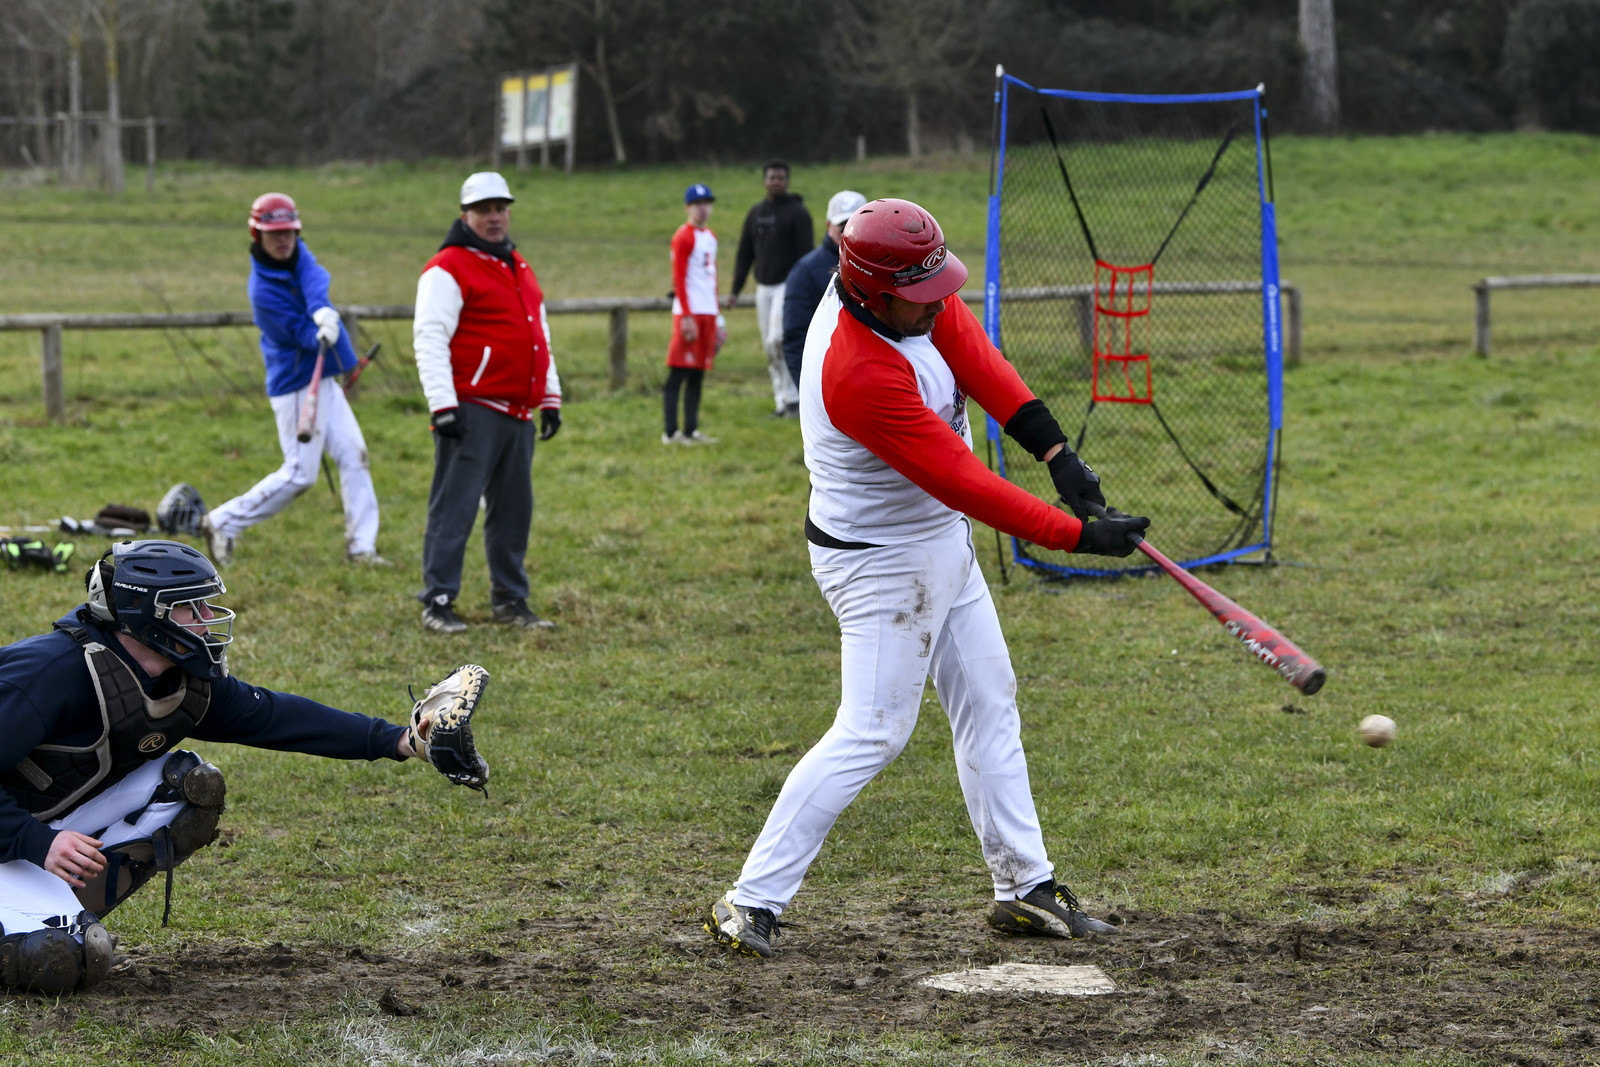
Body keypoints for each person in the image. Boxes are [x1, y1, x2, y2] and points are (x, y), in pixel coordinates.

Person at [705, 199, 1151, 959]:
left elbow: (975, 354)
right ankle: (748, 900)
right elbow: (964, 481)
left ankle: (1025, 887)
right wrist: (1076, 534)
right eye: (924, 296)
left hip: (937, 541)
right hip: (880, 563)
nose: (940, 302)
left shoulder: (910, 295)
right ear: (873, 293)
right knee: (873, 729)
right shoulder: (857, 369)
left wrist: (1056, 452)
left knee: (988, 697)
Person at [0, 540, 435, 994]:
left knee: (189, 786)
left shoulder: (176, 678)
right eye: (191, 608)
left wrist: (398, 740)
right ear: (146, 615)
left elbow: (273, 717)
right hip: (17, 834)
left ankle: (49, 910)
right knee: (63, 961)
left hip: (34, 827)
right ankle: (39, 921)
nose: (208, 619)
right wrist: (36, 842)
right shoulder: (50, 672)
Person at [198, 193, 385, 568]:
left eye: (289, 232)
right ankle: (222, 521)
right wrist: (320, 330)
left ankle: (361, 547)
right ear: (257, 235)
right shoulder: (262, 290)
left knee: (354, 455)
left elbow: (314, 277)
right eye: (275, 234)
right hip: (298, 386)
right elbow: (300, 334)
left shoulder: (299, 255)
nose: (284, 240)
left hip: (325, 382)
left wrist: (320, 309)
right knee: (300, 474)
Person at [413, 172, 563, 634]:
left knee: (514, 511)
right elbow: (430, 336)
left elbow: (539, 336)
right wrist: (443, 404)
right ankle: (438, 599)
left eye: (500, 208)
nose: (494, 217)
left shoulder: (517, 263)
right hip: (472, 407)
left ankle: (510, 599)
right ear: (466, 216)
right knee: (454, 507)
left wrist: (550, 396)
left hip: (518, 411)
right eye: (484, 210)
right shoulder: (448, 266)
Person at [727, 161, 813, 418]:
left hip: (788, 286)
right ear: (764, 181)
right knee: (768, 346)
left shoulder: (798, 213)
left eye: (780, 178)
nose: (776, 182)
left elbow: (805, 255)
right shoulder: (756, 213)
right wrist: (735, 289)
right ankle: (781, 400)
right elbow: (745, 253)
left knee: (779, 339)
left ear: (787, 181)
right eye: (771, 177)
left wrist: (804, 288)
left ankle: (796, 398)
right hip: (763, 287)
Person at [780, 189, 866, 396]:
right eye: (843, 227)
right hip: (833, 383)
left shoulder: (884, 264)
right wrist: (810, 393)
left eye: (857, 225)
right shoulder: (805, 271)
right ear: (828, 226)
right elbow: (795, 336)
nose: (849, 233)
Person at [663, 183, 727, 445]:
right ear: (688, 207)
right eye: (698, 204)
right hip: (689, 312)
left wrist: (718, 316)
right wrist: (687, 316)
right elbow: (679, 277)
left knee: (698, 372)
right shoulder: (684, 236)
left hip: (707, 311)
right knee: (679, 371)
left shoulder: (710, 236)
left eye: (707, 203)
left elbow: (711, 279)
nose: (703, 209)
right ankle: (670, 432)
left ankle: (691, 429)